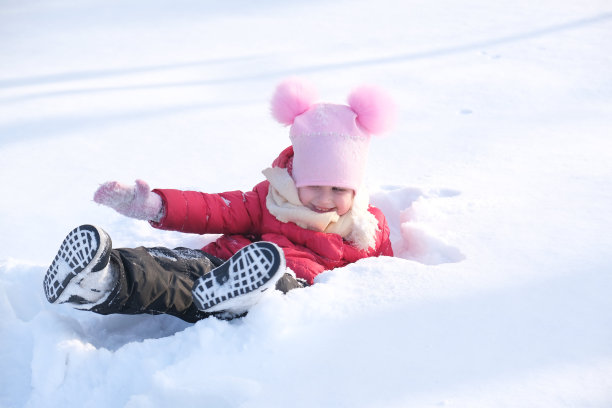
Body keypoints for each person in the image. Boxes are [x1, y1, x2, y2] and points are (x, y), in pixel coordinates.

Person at [42, 79, 396, 322]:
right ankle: (101, 275)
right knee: (172, 264)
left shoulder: (369, 228)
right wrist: (155, 205)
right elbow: (214, 210)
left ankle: (250, 288)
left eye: (338, 189)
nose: (324, 199)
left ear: (355, 189)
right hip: (220, 268)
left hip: (289, 290)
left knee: (200, 289)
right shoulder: (270, 200)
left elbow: (385, 281)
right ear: (295, 178)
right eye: (315, 186)